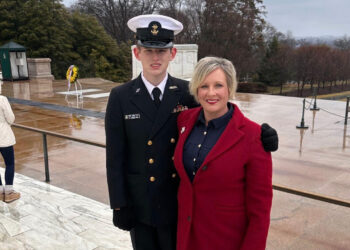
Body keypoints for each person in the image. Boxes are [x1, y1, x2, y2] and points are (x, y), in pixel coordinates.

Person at [105, 15, 277, 250]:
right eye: (148, 51)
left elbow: (218, 117)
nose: (155, 58)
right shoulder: (121, 97)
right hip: (139, 205)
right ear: (137, 53)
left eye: (162, 51)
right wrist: (118, 204)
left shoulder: (187, 92)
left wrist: (261, 135)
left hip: (176, 207)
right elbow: (115, 157)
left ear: (172, 54)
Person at [174, 57, 273, 250]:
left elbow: (260, 212)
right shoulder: (184, 121)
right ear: (196, 89)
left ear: (230, 89)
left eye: (218, 85)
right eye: (204, 86)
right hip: (187, 238)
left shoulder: (252, 136)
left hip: (226, 241)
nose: (211, 93)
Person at [0, 81, 20, 203]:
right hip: (3, 136)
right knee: (10, 164)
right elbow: (11, 118)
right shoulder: (2, 99)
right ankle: (9, 193)